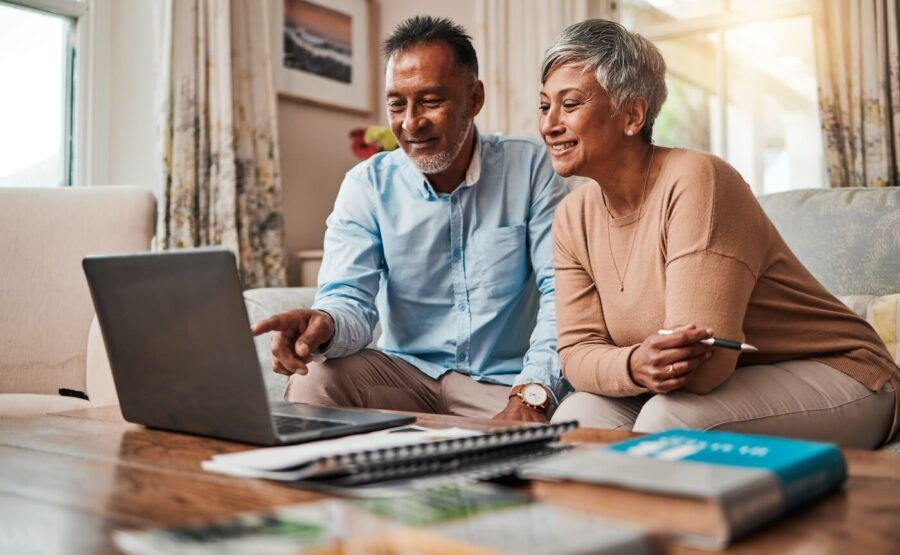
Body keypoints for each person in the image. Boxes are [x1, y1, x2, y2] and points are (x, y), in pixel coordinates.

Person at [541, 19, 898, 448]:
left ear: (632, 115)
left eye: (571, 104)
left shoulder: (699, 180)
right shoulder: (571, 216)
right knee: (575, 421)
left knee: (668, 421)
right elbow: (576, 354)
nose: (550, 124)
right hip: (716, 386)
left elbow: (704, 367)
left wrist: (626, 365)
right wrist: (635, 364)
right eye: (544, 106)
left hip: (841, 373)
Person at [252, 17, 570, 422]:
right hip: (405, 378)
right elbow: (349, 299)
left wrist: (532, 394)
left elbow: (563, 293)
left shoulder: (530, 167)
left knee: (574, 421)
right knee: (316, 378)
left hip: (504, 384)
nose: (410, 122)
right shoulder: (367, 185)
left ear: (474, 99)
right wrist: (324, 323)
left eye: (431, 101)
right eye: (396, 104)